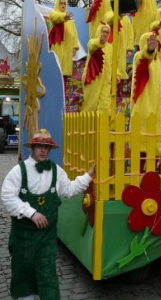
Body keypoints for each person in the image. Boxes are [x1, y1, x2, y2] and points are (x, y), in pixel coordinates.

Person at [1, 129, 95, 300]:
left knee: (48, 276)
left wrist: (88, 176)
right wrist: (31, 213)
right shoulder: (18, 171)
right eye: (40, 146)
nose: (43, 150)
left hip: (46, 238)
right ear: (33, 148)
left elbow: (69, 190)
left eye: (47, 147)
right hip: (23, 238)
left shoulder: (56, 171)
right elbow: (7, 196)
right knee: (24, 276)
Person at [130, 32, 161, 172]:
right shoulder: (138, 56)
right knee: (142, 144)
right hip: (143, 106)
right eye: (149, 41)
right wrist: (149, 50)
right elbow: (144, 57)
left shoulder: (158, 62)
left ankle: (152, 176)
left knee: (155, 144)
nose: (153, 43)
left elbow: (159, 85)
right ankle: (137, 175)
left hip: (157, 108)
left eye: (154, 42)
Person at [80, 23, 114, 113]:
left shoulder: (110, 47)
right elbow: (91, 46)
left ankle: (101, 126)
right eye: (103, 31)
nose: (105, 34)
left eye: (107, 32)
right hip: (92, 78)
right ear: (99, 32)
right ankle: (87, 126)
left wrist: (116, 74)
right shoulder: (93, 42)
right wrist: (100, 42)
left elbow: (112, 63)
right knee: (90, 105)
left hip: (106, 81)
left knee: (105, 105)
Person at [48, 0, 79, 87]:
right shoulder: (53, 13)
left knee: (64, 80)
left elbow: (74, 34)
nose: (63, 5)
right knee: (55, 75)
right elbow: (56, 18)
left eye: (64, 4)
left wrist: (75, 47)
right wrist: (64, 17)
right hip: (57, 50)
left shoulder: (70, 20)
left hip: (67, 52)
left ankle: (63, 99)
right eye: (61, 3)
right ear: (57, 4)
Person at [105, 11, 134, 81]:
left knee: (121, 69)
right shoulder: (109, 13)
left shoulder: (127, 19)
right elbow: (109, 20)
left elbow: (130, 34)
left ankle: (118, 88)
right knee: (110, 67)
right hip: (111, 47)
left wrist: (129, 49)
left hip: (122, 49)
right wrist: (119, 15)